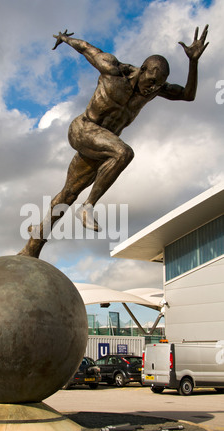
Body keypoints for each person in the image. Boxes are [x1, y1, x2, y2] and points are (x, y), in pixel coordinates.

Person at [19, 25, 209, 258]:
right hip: (83, 129)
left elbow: (188, 95)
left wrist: (193, 63)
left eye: (157, 85)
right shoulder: (113, 70)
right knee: (124, 153)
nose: (152, 88)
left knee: (68, 194)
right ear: (143, 69)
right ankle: (88, 207)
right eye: (150, 81)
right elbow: (87, 49)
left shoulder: (154, 90)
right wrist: (65, 39)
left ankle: (32, 246)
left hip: (100, 146)